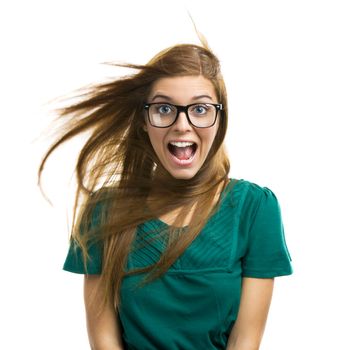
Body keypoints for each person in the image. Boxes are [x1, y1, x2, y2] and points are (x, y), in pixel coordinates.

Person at [38, 37, 293, 350]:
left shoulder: (255, 208)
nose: (182, 125)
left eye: (200, 109)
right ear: (145, 120)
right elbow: (104, 341)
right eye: (164, 109)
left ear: (220, 119)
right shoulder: (104, 209)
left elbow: (246, 340)